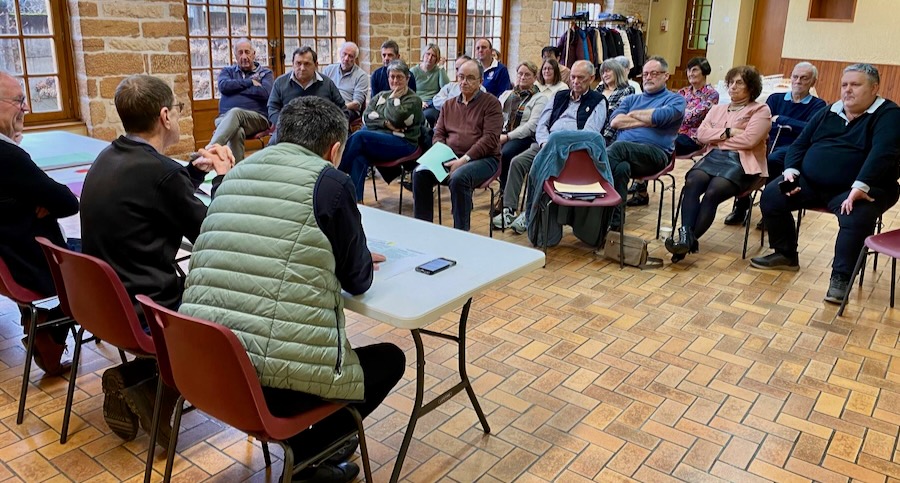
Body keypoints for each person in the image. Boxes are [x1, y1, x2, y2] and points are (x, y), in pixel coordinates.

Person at [181, 96, 406, 483]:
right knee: (390, 359)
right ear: (335, 150)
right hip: (270, 386)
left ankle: (316, 449)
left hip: (206, 366)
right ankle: (307, 455)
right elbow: (358, 280)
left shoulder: (234, 175)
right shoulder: (331, 183)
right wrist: (352, 252)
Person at [80, 74, 235, 446]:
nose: (178, 116)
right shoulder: (160, 173)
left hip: (106, 306)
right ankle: (151, 388)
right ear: (165, 116)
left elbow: (156, 193)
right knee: (235, 302)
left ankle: (139, 378)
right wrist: (223, 179)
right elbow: (214, 234)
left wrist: (191, 173)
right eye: (178, 109)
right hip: (149, 307)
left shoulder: (108, 156)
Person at [751, 63, 900, 303]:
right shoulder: (830, 111)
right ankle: (785, 254)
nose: (847, 90)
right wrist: (791, 171)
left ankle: (841, 278)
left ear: (874, 88)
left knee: (856, 214)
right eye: (844, 85)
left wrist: (860, 186)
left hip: (864, 187)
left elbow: (883, 153)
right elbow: (800, 144)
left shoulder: (889, 114)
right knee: (772, 195)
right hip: (812, 183)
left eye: (855, 85)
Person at [0, 71, 78, 376]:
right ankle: (51, 330)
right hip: (33, 265)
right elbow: (68, 202)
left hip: (10, 259)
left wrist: (27, 199)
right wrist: (35, 198)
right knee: (104, 259)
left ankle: (37, 321)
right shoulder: (8, 156)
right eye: (19, 101)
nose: (26, 108)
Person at [665, 66, 771, 263]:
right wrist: (729, 133)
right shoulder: (717, 109)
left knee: (713, 191)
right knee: (692, 182)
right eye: (730, 82)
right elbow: (701, 135)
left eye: (739, 83)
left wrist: (717, 139)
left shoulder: (760, 110)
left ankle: (684, 245)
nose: (733, 87)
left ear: (751, 87)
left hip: (741, 161)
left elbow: (749, 141)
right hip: (713, 157)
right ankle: (686, 238)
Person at [493, 60, 607, 233]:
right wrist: (545, 142)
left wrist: (557, 142)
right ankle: (508, 210)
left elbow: (589, 134)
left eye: (581, 78)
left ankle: (530, 214)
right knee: (517, 162)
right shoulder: (559, 96)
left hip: (573, 152)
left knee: (539, 169)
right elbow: (542, 124)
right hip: (545, 145)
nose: (575, 81)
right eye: (573, 77)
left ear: (591, 78)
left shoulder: (598, 101)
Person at [724, 61, 826, 226]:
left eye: (804, 78)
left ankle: (769, 210)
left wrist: (782, 119)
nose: (798, 81)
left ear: (813, 82)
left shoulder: (818, 105)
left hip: (793, 148)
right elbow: (761, 122)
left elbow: (810, 130)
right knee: (745, 156)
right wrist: (793, 125)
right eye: (795, 77)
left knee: (772, 161)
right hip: (767, 142)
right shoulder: (775, 98)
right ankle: (741, 205)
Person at [412, 59, 502, 231]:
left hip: (484, 159)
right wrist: (441, 154)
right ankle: (423, 230)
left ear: (480, 81)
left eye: (470, 78)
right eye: (461, 77)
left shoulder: (491, 104)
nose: (464, 82)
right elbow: (438, 133)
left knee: (459, 178)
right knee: (419, 173)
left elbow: (490, 139)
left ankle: (461, 233)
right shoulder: (449, 104)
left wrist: (464, 160)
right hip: (451, 156)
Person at [607, 56, 685, 221]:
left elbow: (660, 116)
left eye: (654, 73)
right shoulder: (631, 99)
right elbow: (615, 122)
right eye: (645, 74)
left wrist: (633, 114)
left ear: (666, 76)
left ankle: (589, 197)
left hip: (656, 155)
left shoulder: (675, 99)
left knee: (617, 148)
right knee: (621, 168)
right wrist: (648, 120)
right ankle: (614, 221)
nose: (648, 77)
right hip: (624, 155)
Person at [338, 60, 423, 201]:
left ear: (407, 78)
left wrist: (393, 100)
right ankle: (356, 202)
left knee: (360, 136)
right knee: (359, 158)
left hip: (404, 143)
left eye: (399, 77)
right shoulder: (381, 95)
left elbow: (397, 118)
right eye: (392, 76)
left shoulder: (414, 100)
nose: (395, 80)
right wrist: (386, 123)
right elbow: (366, 117)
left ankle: (335, 172)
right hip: (381, 140)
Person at [207, 39, 274, 163]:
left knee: (236, 112)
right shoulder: (228, 71)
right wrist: (249, 82)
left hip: (257, 119)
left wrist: (235, 89)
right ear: (235, 55)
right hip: (224, 118)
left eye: (247, 52)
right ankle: (235, 170)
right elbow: (223, 86)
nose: (244, 56)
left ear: (253, 54)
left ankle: (209, 151)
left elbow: (265, 93)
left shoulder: (265, 73)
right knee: (237, 132)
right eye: (240, 52)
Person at [268, 46, 347, 143]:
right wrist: (284, 125)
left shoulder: (327, 83)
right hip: (289, 131)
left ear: (316, 65)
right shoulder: (280, 83)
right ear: (292, 64)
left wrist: (333, 128)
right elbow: (272, 108)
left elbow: (342, 109)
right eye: (298, 63)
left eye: (307, 64)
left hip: (321, 132)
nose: (302, 68)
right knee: (273, 145)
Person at [496, 61, 548, 193]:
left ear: (535, 78)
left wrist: (507, 137)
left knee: (506, 153)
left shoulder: (540, 98)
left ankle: (504, 193)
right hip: (503, 132)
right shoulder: (507, 94)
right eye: (520, 74)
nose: (522, 77)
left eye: (527, 75)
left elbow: (532, 126)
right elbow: (496, 115)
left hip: (524, 137)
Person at [674, 56, 719, 156]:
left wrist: (675, 115)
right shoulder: (682, 92)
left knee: (666, 144)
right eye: (688, 70)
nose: (690, 74)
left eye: (694, 70)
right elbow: (669, 111)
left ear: (704, 72)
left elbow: (692, 117)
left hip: (693, 137)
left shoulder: (711, 94)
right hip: (674, 133)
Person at [322, 41, 369, 123]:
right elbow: (321, 92)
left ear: (355, 58)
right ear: (340, 54)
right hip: (327, 107)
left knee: (337, 116)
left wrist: (337, 108)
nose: (346, 59)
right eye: (344, 54)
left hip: (348, 109)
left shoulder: (361, 76)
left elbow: (356, 104)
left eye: (351, 56)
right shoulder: (329, 70)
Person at [598, 58, 636, 144]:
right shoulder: (599, 89)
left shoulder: (627, 89)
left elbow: (616, 112)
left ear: (617, 71)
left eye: (608, 71)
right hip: (591, 129)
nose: (605, 75)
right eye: (603, 73)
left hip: (609, 133)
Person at [413, 43, 450, 127]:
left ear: (437, 59)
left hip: (433, 103)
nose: (429, 58)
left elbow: (446, 87)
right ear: (423, 55)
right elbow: (409, 90)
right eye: (428, 54)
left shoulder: (438, 71)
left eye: (433, 56)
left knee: (428, 116)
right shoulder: (414, 71)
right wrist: (419, 102)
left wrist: (441, 68)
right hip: (417, 102)